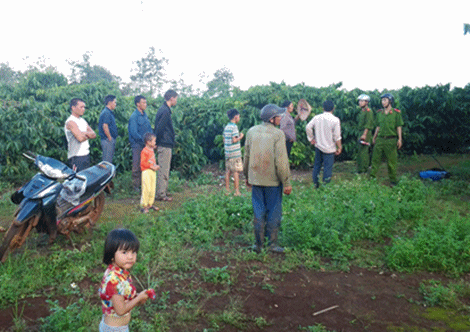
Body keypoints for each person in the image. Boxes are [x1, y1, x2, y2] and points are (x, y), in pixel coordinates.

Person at [243, 104, 292, 253]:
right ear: (272, 119)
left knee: (258, 211)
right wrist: (287, 182)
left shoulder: (251, 132)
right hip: (273, 182)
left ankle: (258, 245)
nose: (280, 118)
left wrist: (247, 176)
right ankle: (272, 244)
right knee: (274, 211)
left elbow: (246, 156)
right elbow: (281, 162)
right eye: (279, 116)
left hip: (256, 180)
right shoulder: (278, 135)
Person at [98, 228, 151, 331]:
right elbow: (120, 310)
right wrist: (138, 298)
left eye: (134, 252)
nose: (130, 257)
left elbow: (122, 295)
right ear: (112, 254)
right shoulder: (114, 280)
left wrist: (137, 298)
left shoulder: (120, 272)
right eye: (125, 252)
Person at [305, 100, 342, 188]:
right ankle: (326, 186)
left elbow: (308, 127)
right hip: (329, 149)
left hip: (318, 146)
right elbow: (337, 136)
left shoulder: (317, 117)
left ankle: (315, 184)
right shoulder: (335, 120)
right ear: (333, 109)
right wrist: (339, 147)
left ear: (323, 108)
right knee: (327, 168)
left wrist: (311, 138)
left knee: (317, 166)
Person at [370, 93, 404, 186]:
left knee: (391, 161)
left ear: (390, 101)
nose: (383, 102)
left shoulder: (396, 113)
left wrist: (400, 139)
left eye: (385, 100)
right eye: (382, 100)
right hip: (380, 139)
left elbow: (399, 126)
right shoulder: (379, 113)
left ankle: (393, 181)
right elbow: (378, 126)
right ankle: (372, 179)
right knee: (375, 159)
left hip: (391, 140)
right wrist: (374, 137)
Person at [154, 89, 178, 202]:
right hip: (164, 143)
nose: (176, 101)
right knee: (163, 169)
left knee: (165, 168)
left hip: (165, 143)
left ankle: (162, 191)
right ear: (171, 98)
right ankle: (161, 194)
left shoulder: (165, 110)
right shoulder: (165, 111)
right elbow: (160, 128)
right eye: (176, 98)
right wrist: (156, 142)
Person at [64, 98, 96, 171]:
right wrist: (87, 134)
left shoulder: (82, 121)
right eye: (81, 107)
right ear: (73, 108)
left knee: (86, 180)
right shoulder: (70, 122)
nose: (83, 109)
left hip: (86, 155)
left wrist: (83, 133)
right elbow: (80, 138)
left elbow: (94, 134)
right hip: (76, 157)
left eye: (84, 107)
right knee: (78, 180)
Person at [128, 95, 153, 192]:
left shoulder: (145, 115)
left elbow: (149, 129)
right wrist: (145, 141)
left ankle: (145, 185)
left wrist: (151, 140)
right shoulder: (134, 116)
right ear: (138, 104)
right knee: (137, 165)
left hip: (147, 145)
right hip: (138, 145)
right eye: (143, 102)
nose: (145, 104)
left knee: (147, 164)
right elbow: (134, 133)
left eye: (146, 102)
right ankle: (136, 187)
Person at [223, 108, 244, 196]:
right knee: (236, 172)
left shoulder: (227, 127)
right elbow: (234, 140)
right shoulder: (234, 127)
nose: (239, 118)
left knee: (228, 171)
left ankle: (227, 190)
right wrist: (241, 136)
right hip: (235, 153)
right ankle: (237, 191)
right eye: (239, 116)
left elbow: (224, 139)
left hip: (227, 153)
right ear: (235, 117)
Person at [140, 133, 160, 213]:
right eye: (154, 141)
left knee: (152, 188)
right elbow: (143, 163)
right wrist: (152, 166)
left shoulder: (151, 150)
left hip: (152, 172)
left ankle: (150, 204)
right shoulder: (144, 151)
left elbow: (152, 161)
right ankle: (144, 206)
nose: (155, 143)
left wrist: (155, 166)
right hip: (146, 172)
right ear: (148, 142)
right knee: (146, 188)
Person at [356, 94, 375, 173]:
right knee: (360, 151)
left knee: (364, 151)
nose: (360, 102)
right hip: (360, 132)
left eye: (362, 101)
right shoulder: (362, 111)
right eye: (359, 101)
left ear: (366, 102)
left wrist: (364, 134)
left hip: (365, 132)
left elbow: (368, 124)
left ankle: (364, 169)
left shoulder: (369, 112)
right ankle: (360, 169)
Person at [98, 95, 118, 163]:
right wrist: (110, 138)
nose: (115, 104)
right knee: (107, 161)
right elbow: (105, 125)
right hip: (107, 140)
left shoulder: (108, 112)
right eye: (115, 102)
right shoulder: (106, 112)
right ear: (110, 102)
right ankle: (106, 173)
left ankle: (108, 173)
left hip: (108, 140)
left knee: (108, 159)